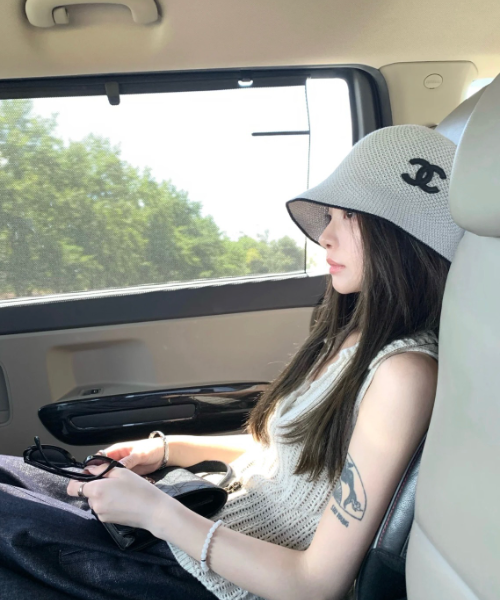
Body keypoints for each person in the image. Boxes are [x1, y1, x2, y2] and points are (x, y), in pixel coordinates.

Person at [0, 124, 464, 600]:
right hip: (205, 520)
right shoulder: (347, 336)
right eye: (330, 214)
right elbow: (282, 457)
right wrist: (166, 450)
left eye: (350, 215)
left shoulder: (402, 375)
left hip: (219, 574)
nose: (325, 235)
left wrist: (155, 513)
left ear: (403, 233)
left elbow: (317, 584)